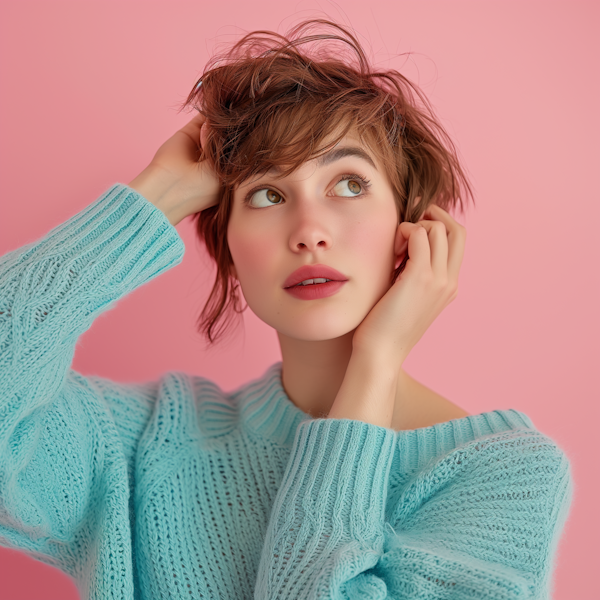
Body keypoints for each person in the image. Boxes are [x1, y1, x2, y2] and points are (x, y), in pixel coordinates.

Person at [0, 19, 573, 600]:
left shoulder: (499, 478)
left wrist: (374, 364)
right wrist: (158, 194)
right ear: (229, 248)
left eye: (348, 184)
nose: (309, 232)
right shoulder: (145, 443)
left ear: (414, 227)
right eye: (267, 194)